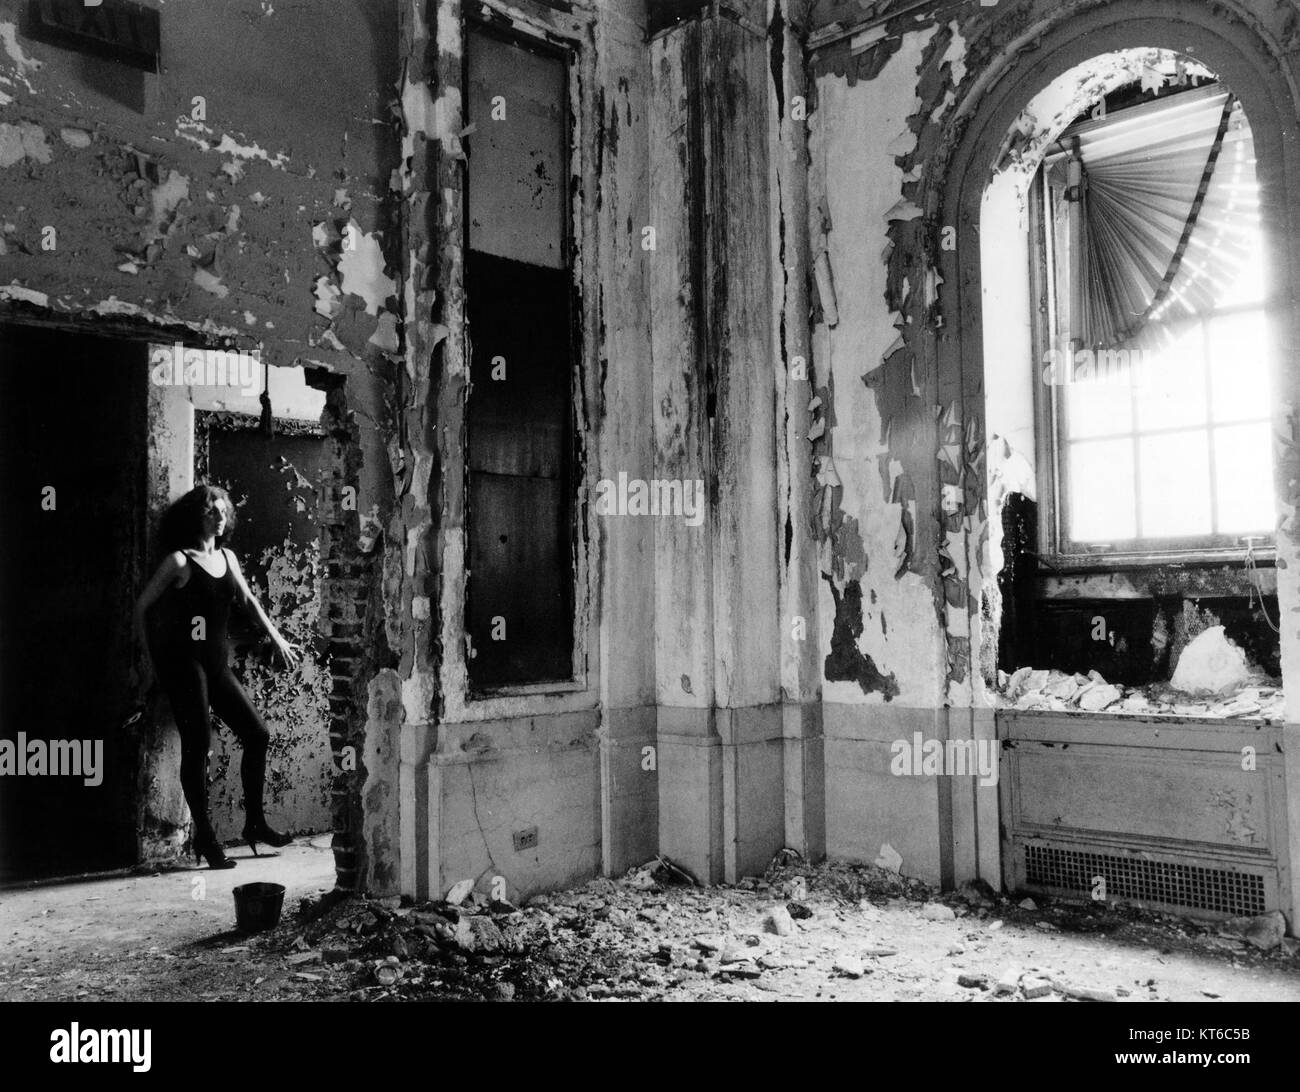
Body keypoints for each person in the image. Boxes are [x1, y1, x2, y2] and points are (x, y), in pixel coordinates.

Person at [133, 484, 301, 869]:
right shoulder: (178, 561)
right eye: (211, 508)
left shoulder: (228, 557)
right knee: (199, 744)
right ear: (196, 516)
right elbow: (142, 609)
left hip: (216, 664)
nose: (219, 513)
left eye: (222, 507)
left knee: (257, 734)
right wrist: (145, 663)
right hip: (183, 664)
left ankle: (254, 824)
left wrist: (277, 639)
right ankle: (206, 841)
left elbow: (248, 601)